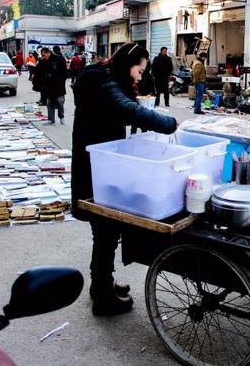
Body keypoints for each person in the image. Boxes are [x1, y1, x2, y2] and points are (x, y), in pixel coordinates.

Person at [71, 42, 177, 316]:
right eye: (139, 71)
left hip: (104, 164)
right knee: (105, 230)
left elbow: (121, 110)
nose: (140, 77)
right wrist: (167, 123)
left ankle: (101, 284)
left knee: (106, 231)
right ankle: (103, 297)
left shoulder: (103, 78)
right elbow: (126, 109)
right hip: (97, 169)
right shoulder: (101, 81)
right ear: (126, 64)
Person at [35, 47, 67, 125]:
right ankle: (51, 120)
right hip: (49, 85)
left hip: (59, 85)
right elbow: (38, 70)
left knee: (60, 102)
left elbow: (64, 73)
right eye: (42, 55)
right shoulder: (44, 61)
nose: (43, 56)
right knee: (50, 103)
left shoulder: (59, 59)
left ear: (47, 52)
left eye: (43, 55)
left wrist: (61, 82)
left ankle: (61, 117)